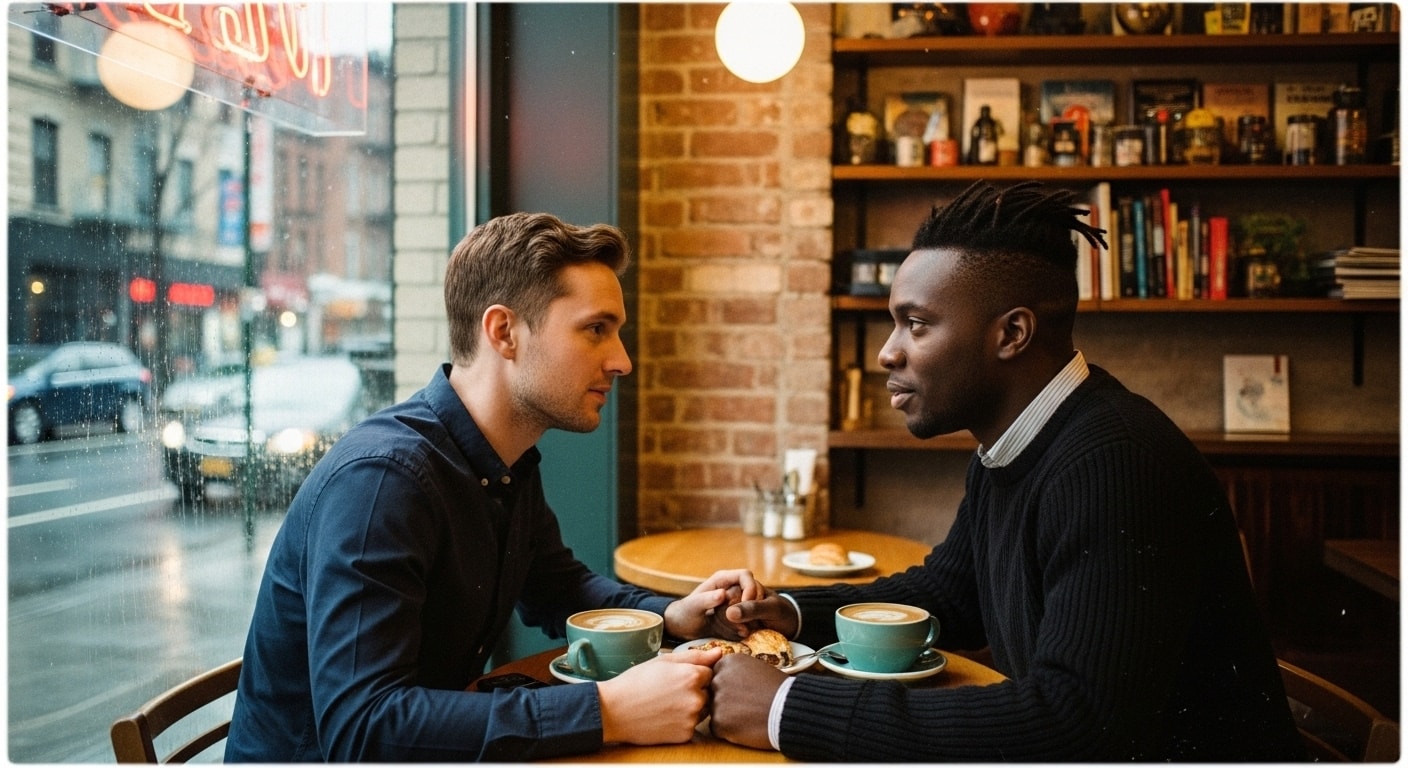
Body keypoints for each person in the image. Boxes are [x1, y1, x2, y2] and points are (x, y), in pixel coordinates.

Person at [707, 181, 1305, 761]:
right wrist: (789, 612)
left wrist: (789, 708)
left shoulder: (1114, 462)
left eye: (915, 324)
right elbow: (949, 594)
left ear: (1012, 333)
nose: (888, 352)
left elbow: (1078, 724)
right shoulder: (1020, 444)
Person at [225, 212, 754, 762]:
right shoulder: (383, 482)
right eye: (596, 329)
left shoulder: (507, 458)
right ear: (503, 332)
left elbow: (558, 586)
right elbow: (363, 730)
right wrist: (608, 711)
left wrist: (670, 616)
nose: (622, 360)